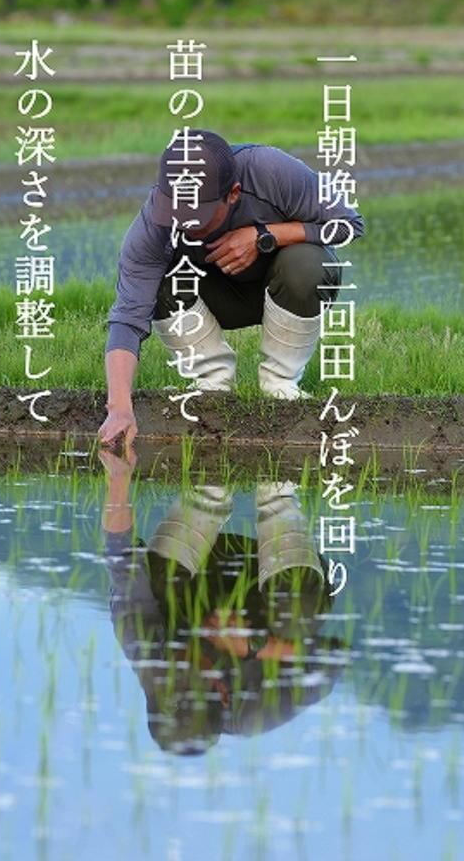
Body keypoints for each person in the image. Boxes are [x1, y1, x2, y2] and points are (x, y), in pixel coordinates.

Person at [97, 129, 365, 451]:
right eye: (179, 213)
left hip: (282, 287)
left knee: (308, 263)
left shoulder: (270, 170)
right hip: (212, 298)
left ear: (234, 193)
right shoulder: (155, 221)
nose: (186, 224)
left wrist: (264, 236)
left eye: (199, 217)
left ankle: (280, 384)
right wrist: (120, 409)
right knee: (158, 280)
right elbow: (128, 316)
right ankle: (213, 382)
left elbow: (349, 224)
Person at [100, 446, 347, 756]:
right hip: (275, 590)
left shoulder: (145, 647)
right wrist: (257, 646)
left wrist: (118, 476)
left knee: (156, 581)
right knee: (297, 619)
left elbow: (120, 556)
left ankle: (209, 482)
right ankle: (278, 491)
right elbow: (336, 659)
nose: (179, 663)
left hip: (211, 561)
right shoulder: (253, 712)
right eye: (189, 673)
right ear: (224, 693)